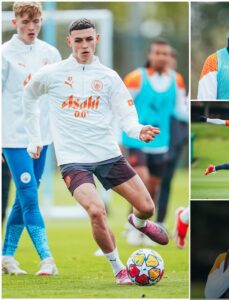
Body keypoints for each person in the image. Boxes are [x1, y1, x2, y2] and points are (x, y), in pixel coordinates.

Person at [23, 18, 169, 285]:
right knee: (96, 210)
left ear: (96, 40)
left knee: (147, 207)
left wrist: (138, 131)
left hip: (108, 155)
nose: (84, 45)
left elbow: (126, 115)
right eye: (78, 40)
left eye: (89, 39)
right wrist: (34, 137)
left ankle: (138, 223)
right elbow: (28, 95)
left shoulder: (109, 77)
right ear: (70, 42)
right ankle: (119, 269)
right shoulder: (52, 74)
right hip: (73, 161)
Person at [2, 1, 61, 275]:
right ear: (15, 22)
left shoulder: (51, 53)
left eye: (35, 21)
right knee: (28, 195)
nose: (31, 27)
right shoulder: (4, 55)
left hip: (43, 138)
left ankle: (6, 257)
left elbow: (59, 96)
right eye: (25, 21)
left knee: (24, 198)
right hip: (13, 138)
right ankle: (47, 259)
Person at [122, 39, 187, 244]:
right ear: (150, 55)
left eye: (165, 53)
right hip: (137, 139)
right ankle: (133, 227)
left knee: (153, 188)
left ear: (170, 57)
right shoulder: (135, 78)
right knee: (140, 181)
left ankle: (142, 225)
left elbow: (179, 110)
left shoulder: (177, 80)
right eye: (157, 53)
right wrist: (116, 136)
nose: (161, 57)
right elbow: (120, 107)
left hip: (162, 141)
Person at [156, 47, 189, 225]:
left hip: (174, 140)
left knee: (166, 181)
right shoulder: (149, 82)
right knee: (146, 181)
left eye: (169, 58)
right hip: (154, 139)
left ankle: (160, 222)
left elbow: (182, 112)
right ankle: (135, 222)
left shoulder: (177, 82)